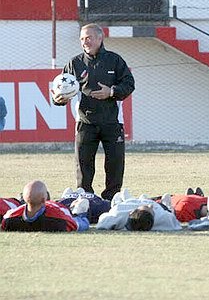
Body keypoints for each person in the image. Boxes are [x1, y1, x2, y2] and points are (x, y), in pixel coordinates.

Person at [52, 23, 135, 201]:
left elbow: (129, 84)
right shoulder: (74, 63)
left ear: (100, 38)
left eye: (88, 38)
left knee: (115, 163)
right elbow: (61, 90)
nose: (85, 42)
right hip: (85, 123)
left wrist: (111, 91)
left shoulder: (115, 60)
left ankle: (111, 199)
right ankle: (84, 198)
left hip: (112, 122)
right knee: (83, 165)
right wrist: (59, 99)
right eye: (82, 39)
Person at [1, 180, 89, 232]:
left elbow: (5, 222)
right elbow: (80, 224)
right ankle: (75, 205)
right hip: (59, 209)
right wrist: (81, 216)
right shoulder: (58, 220)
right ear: (44, 200)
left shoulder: (10, 219)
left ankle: (67, 197)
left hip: (39, 208)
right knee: (79, 216)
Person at [96, 189, 182, 231]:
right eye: (150, 209)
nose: (149, 206)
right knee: (164, 208)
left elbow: (101, 223)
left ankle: (128, 199)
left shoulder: (118, 214)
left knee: (119, 198)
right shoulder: (164, 218)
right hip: (158, 206)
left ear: (132, 212)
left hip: (126, 205)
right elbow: (176, 223)